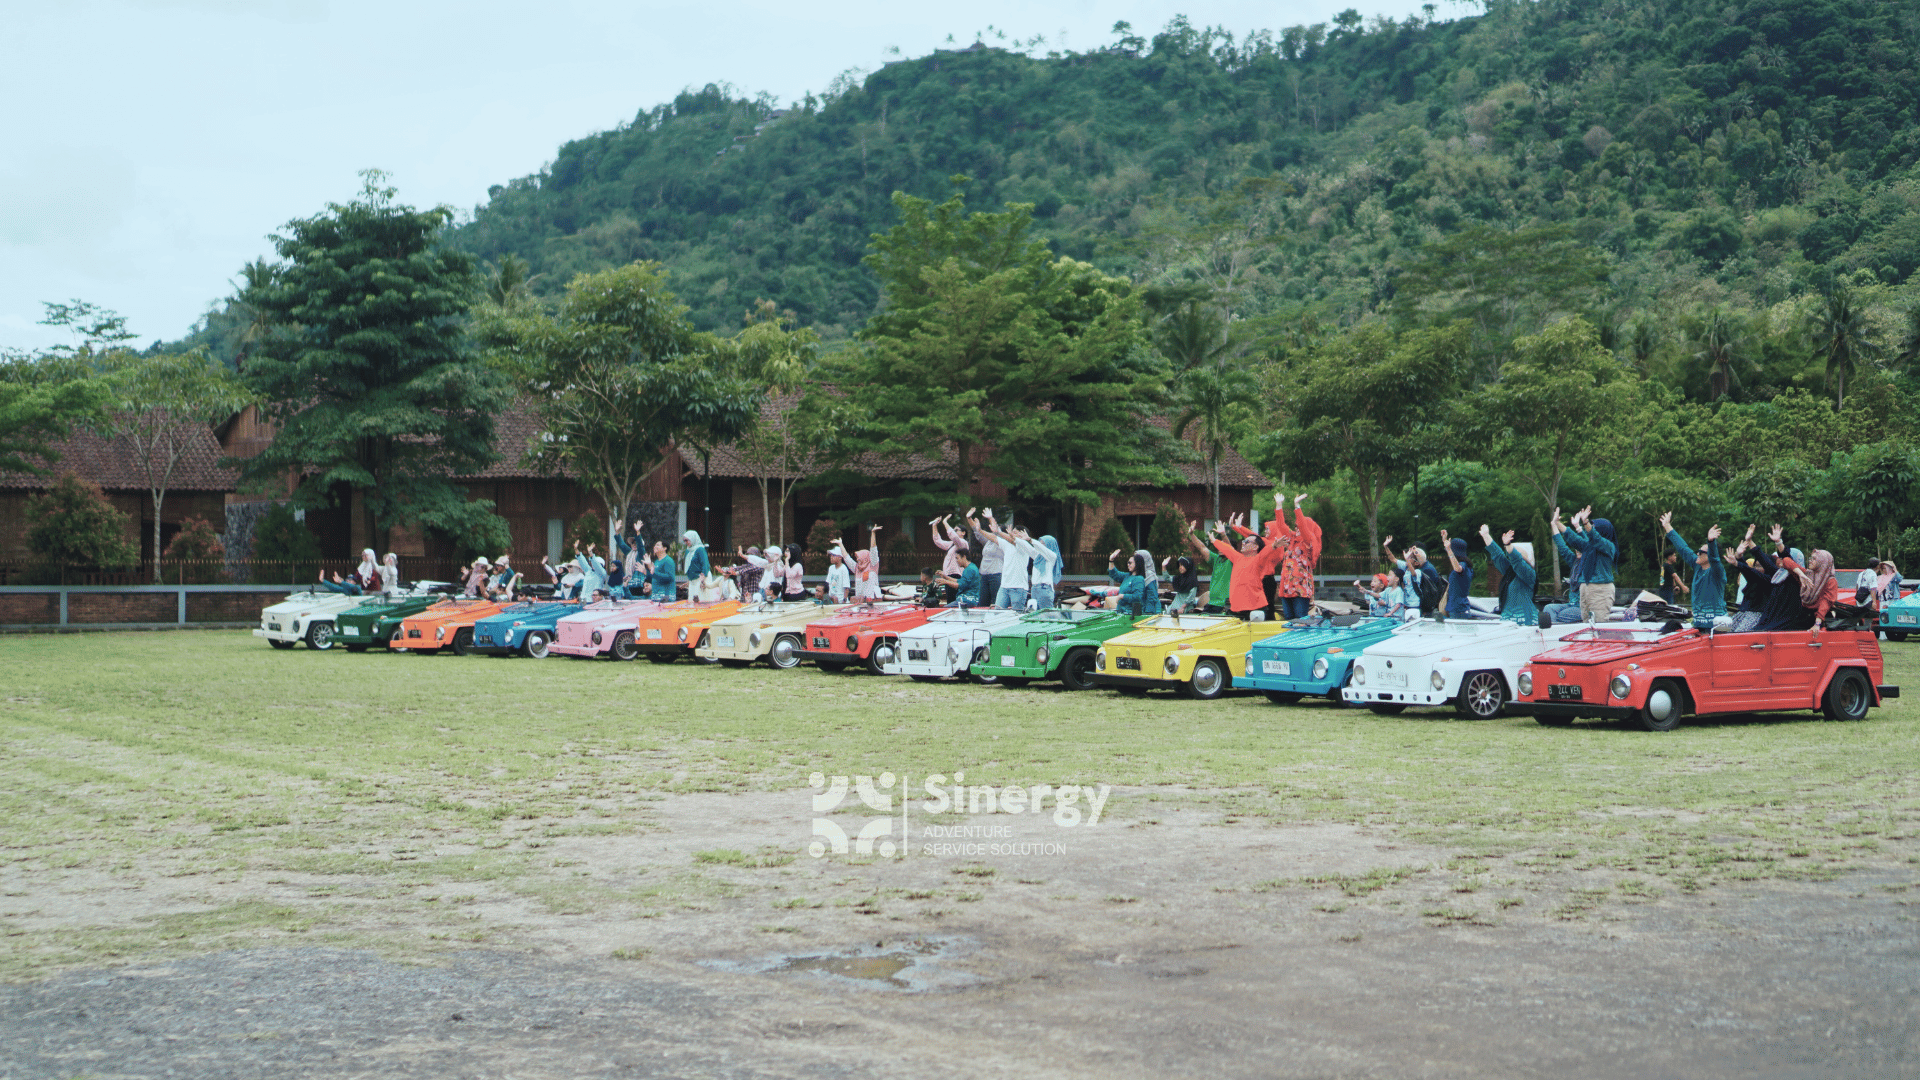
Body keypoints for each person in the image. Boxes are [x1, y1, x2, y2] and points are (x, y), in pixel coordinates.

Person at [1661, 512, 1728, 630]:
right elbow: (1683, 548)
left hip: (1716, 628)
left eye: (1701, 552)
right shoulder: (1697, 566)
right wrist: (1667, 526)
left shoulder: (1717, 571)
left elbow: (1715, 559)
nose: (1697, 553)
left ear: (1709, 556)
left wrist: (1711, 542)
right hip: (1698, 625)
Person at [1211, 518, 1284, 620]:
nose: (1243, 543)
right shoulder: (1239, 557)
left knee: (1268, 612)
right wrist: (1215, 539)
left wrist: (1274, 545)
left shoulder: (1265, 551)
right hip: (1241, 603)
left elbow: (1262, 545)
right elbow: (1228, 549)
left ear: (1255, 547)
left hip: (1263, 588)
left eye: (1268, 529)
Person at [1269, 493, 1322, 621]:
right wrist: (1279, 505)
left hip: (1301, 588)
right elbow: (1281, 525)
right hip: (1286, 587)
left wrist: (1297, 506)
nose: (1297, 528)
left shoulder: (1309, 542)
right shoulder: (1292, 539)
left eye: (1299, 526)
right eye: (1296, 526)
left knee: (1300, 621)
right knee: (1288, 620)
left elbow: (1304, 528)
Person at [1565, 508, 1618, 622]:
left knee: (1599, 624)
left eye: (1594, 527)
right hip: (1586, 587)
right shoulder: (1592, 547)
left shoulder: (1608, 546)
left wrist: (1585, 523)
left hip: (1600, 589)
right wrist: (1575, 526)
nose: (1592, 529)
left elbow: (1594, 537)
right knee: (1586, 624)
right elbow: (1586, 539)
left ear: (1603, 530)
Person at [1478, 525, 1537, 626]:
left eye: (1516, 553)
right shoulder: (1510, 573)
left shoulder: (1529, 574)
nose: (1511, 555)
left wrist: (1508, 545)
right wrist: (1486, 535)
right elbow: (1498, 555)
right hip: (1507, 620)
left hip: (1525, 622)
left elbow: (1518, 561)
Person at [1188, 520, 1233, 615]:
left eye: (1223, 546)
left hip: (1224, 603)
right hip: (1211, 602)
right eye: (1219, 545)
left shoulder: (1232, 560)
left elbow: (1229, 548)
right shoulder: (1216, 559)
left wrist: (1223, 535)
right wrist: (1192, 534)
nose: (1220, 548)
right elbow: (1202, 548)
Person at [1789, 548, 1840, 628]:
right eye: (1810, 558)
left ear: (1822, 562)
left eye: (1814, 559)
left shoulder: (1831, 581)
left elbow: (1826, 602)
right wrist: (1800, 574)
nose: (1810, 561)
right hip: (1804, 615)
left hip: (1821, 618)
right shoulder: (1808, 574)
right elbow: (1786, 561)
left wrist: (1817, 623)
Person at [967, 509, 1007, 609]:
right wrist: (969, 518)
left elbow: (997, 531)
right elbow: (977, 530)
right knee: (983, 602)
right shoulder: (988, 542)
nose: (993, 531)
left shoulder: (1003, 543)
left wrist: (990, 518)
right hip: (984, 575)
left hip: (996, 575)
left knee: (995, 602)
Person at [1438, 529, 1475, 620]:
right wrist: (1445, 541)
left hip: (1458, 610)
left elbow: (1458, 568)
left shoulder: (1463, 565)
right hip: (1457, 608)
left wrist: (1449, 550)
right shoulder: (1467, 566)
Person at [1105, 548, 1150, 616]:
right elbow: (1113, 573)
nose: (1128, 564)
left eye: (1130, 563)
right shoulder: (1127, 576)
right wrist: (1111, 560)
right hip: (1121, 613)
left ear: (1137, 564)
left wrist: (1122, 596)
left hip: (1130, 615)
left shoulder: (1139, 579)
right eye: (1127, 562)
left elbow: (1137, 597)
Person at [1029, 534, 1062, 609]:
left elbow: (1042, 549)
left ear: (1050, 545)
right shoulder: (1037, 557)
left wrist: (1030, 540)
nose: (1041, 545)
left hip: (1044, 589)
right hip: (1034, 588)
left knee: (1047, 616)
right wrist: (1016, 539)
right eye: (1040, 543)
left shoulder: (1052, 556)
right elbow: (1028, 548)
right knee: (1035, 616)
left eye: (1043, 543)